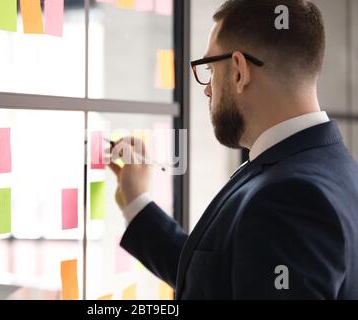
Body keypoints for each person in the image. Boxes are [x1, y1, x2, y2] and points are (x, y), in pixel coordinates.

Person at [108, 0, 358, 299]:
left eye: (210, 69)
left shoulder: (290, 197)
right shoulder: (332, 170)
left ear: (239, 70)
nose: (207, 88)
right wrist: (136, 202)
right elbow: (220, 278)